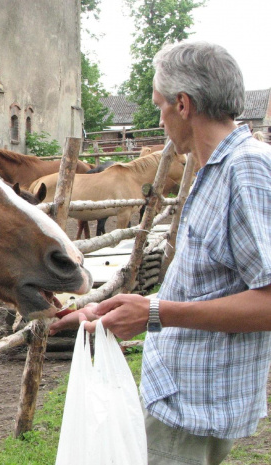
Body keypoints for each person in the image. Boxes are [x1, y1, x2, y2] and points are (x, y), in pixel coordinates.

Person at [50, 41, 271, 465]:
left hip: (194, 410)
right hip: (182, 397)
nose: (159, 118)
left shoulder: (247, 171)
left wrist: (155, 314)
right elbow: (206, 289)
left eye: (159, 106)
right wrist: (110, 313)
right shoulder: (216, 170)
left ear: (183, 104)